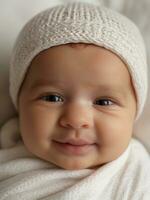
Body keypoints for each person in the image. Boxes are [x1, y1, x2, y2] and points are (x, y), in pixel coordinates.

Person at [0, 2, 150, 199]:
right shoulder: (8, 163)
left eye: (104, 102)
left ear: (134, 112)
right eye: (52, 98)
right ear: (19, 102)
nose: (76, 119)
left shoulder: (138, 177)